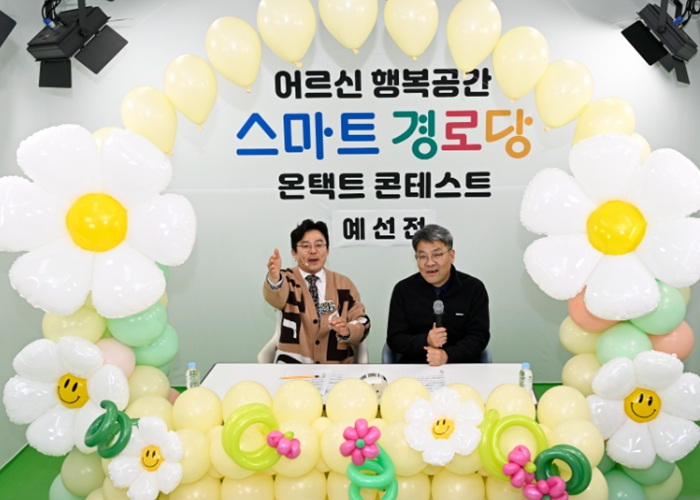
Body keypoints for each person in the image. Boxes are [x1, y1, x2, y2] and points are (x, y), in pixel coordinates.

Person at [263, 219, 370, 363]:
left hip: (336, 368)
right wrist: (274, 278)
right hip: (294, 368)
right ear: (294, 252)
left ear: (327, 250)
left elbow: (362, 321)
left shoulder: (344, 284)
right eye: (305, 246)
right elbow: (276, 298)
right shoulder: (286, 280)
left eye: (319, 245)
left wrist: (348, 329)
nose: (313, 251)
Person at [387, 224, 490, 365]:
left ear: (451, 255)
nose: (430, 263)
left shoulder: (473, 288)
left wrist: (447, 355)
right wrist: (426, 340)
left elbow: (479, 337)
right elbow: (395, 339)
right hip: (415, 367)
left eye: (437, 255)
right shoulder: (403, 290)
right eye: (423, 257)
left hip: (462, 366)